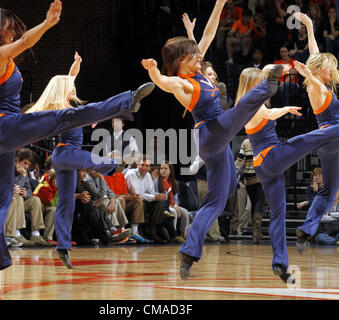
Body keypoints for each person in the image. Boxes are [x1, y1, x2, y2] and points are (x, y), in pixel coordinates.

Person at [0, 0, 154, 295]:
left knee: (0, 199)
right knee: (66, 115)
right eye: (6, 28)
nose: (10, 33)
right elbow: (25, 40)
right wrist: (47, 23)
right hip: (4, 127)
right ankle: (126, 101)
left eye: (10, 28)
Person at [141, 0, 284, 280]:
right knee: (240, 111)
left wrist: (219, 4)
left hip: (219, 138)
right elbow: (163, 82)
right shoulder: (183, 83)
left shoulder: (196, 70)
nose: (200, 57)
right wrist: (153, 71)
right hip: (210, 132)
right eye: (193, 56)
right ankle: (267, 86)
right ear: (181, 60)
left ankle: (189, 251)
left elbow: (206, 35)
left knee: (219, 197)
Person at [27, 52, 154, 267]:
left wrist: (75, 66)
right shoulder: (61, 110)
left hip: (65, 159)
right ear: (61, 90)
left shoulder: (69, 110)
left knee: (66, 204)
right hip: (67, 153)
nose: (74, 87)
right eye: (70, 85)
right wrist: (91, 119)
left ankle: (63, 247)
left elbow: (71, 82)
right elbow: (87, 110)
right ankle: (128, 103)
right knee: (95, 154)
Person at [238, 65, 339, 284]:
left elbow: (267, 82)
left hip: (265, 165)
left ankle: (280, 265)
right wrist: (285, 109)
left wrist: (277, 70)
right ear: (251, 85)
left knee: (277, 214)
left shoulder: (252, 101)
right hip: (271, 157)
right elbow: (266, 113)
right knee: (307, 139)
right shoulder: (247, 106)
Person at [292, 12, 339, 254]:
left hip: (329, 145)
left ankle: (307, 229)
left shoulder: (322, 83)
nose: (333, 69)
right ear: (320, 70)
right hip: (332, 134)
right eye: (329, 67)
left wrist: (310, 27)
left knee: (329, 192)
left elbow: (314, 55)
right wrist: (309, 74)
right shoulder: (315, 86)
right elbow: (314, 68)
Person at [235, 137, 266, 244]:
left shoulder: (246, 142)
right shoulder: (264, 140)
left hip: (248, 178)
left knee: (253, 203)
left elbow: (239, 160)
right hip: (261, 176)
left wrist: (234, 172)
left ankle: (256, 231)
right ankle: (256, 231)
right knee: (259, 203)